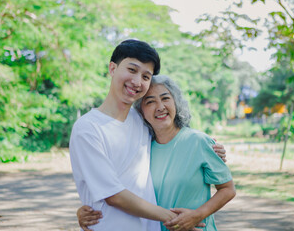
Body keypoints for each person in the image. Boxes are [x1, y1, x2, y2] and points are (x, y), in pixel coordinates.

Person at [69, 39, 227, 231]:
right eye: (132, 70)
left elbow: (174, 141)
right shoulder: (88, 128)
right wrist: (177, 219)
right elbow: (113, 195)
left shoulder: (141, 120)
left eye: (146, 76)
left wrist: (211, 149)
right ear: (112, 68)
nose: (137, 82)